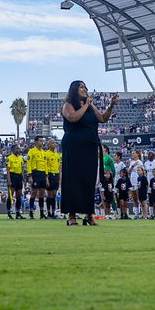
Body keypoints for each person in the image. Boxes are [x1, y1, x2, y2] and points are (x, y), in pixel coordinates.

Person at [59, 80, 119, 226]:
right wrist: (86, 105)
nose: (84, 89)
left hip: (90, 146)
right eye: (81, 87)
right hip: (73, 146)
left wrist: (111, 105)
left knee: (89, 180)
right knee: (73, 180)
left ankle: (89, 214)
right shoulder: (68, 105)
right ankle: (71, 215)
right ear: (74, 90)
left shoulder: (90, 105)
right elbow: (73, 118)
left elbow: (103, 118)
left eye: (85, 87)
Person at [27, 136, 47, 219]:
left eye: (42, 141)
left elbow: (45, 164)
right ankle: (31, 213)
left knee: (42, 194)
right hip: (35, 173)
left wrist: (46, 176)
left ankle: (42, 213)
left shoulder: (44, 152)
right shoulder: (31, 151)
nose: (42, 142)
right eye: (40, 141)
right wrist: (30, 175)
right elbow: (29, 163)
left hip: (42, 174)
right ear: (36, 142)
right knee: (34, 193)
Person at [6, 143, 26, 220]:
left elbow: (22, 169)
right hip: (12, 176)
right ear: (12, 150)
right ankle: (9, 213)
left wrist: (23, 178)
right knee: (10, 196)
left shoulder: (21, 158)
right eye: (16, 148)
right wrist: (9, 179)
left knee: (19, 196)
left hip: (19, 177)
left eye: (18, 148)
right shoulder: (9, 158)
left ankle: (18, 213)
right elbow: (8, 169)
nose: (18, 150)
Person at [45, 140, 62, 219]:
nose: (54, 144)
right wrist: (47, 178)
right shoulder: (46, 154)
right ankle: (48, 212)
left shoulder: (57, 155)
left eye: (54, 143)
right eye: (52, 143)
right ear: (49, 145)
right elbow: (46, 166)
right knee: (49, 194)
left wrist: (59, 177)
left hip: (56, 175)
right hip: (50, 175)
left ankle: (53, 212)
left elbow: (59, 166)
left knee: (54, 195)